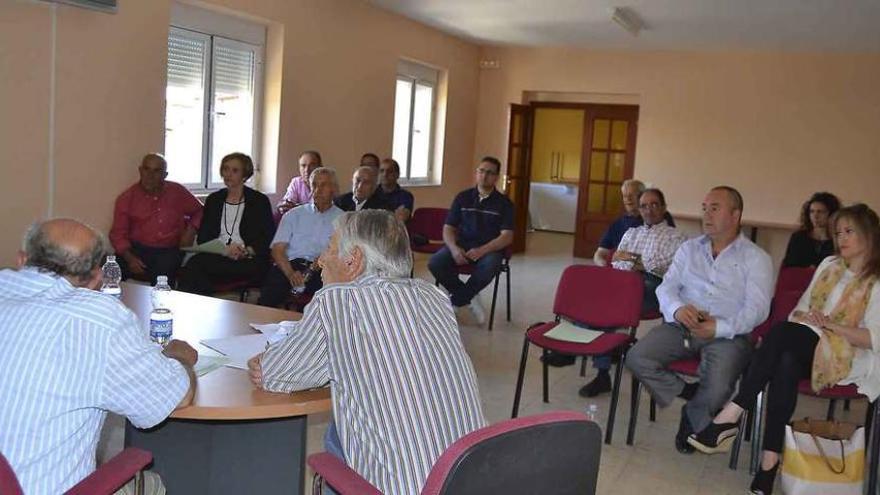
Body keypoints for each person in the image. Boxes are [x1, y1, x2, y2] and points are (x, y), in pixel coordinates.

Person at [247, 210, 486, 495]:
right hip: (469, 480)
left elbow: (273, 373)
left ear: (354, 260)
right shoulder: (434, 297)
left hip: (402, 489)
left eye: (330, 247)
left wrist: (271, 357)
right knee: (342, 429)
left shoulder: (337, 301)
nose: (321, 260)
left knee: (338, 436)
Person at [688, 203, 880, 495]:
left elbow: (872, 338)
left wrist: (830, 326)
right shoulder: (828, 266)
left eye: (849, 231)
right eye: (838, 231)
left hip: (849, 355)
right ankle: (768, 460)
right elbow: (799, 312)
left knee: (781, 341)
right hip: (807, 344)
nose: (841, 238)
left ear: (869, 235)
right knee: (785, 359)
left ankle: (731, 415)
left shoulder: (876, 281)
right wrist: (812, 321)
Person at [0, 219, 197, 495]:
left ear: (22, 261)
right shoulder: (98, 320)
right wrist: (179, 357)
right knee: (150, 484)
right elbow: (174, 397)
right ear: (97, 277)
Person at [625, 186, 773, 455]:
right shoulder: (689, 249)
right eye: (704, 207)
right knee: (637, 357)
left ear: (735, 214)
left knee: (718, 384)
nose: (706, 214)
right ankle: (692, 396)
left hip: (729, 334)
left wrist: (719, 326)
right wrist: (678, 309)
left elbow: (758, 310)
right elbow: (666, 288)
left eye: (714, 208)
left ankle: (692, 417)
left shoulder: (757, 258)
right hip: (683, 325)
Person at [579, 188, 688, 397]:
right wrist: (634, 263)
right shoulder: (632, 233)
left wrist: (631, 261)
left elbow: (659, 267)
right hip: (624, 284)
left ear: (664, 208)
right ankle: (603, 373)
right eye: (644, 206)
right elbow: (616, 261)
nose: (649, 210)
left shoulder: (678, 237)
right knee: (593, 300)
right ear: (639, 210)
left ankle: (601, 352)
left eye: (655, 204)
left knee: (604, 308)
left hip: (654, 289)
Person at [428, 156, 514, 325]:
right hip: (462, 245)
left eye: (489, 173)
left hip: (490, 249)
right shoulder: (463, 197)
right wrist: (453, 248)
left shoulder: (505, 204)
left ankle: (456, 300)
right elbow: (448, 228)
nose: (484, 176)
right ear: (476, 173)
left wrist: (482, 250)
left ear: (496, 177)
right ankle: (470, 296)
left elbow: (507, 236)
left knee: (490, 266)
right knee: (435, 262)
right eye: (481, 171)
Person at [177, 152, 274, 296]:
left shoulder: (259, 201)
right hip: (219, 254)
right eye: (226, 169)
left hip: (247, 258)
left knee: (200, 273)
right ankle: (198, 307)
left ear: (245, 175)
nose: (228, 174)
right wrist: (224, 249)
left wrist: (246, 251)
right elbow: (204, 236)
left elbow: (267, 238)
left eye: (235, 170)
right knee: (193, 266)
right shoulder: (214, 200)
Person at [109, 153, 203, 286]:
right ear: (140, 171)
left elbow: (200, 210)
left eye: (156, 171)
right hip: (137, 248)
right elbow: (117, 234)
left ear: (165, 175)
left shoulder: (177, 192)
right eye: (146, 169)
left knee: (163, 275)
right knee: (109, 271)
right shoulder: (126, 198)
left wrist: (191, 229)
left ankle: (161, 305)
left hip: (168, 249)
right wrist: (130, 258)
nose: (150, 176)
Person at [257, 167, 344, 308]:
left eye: (324, 185)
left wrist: (325, 260)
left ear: (333, 189)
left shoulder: (343, 219)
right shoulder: (293, 214)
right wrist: (291, 273)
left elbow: (343, 253)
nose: (318, 189)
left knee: (322, 298)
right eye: (314, 185)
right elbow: (277, 250)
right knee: (269, 296)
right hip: (290, 266)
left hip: (320, 268)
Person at [782, 192, 841, 268]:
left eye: (821, 212)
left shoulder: (838, 240)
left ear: (832, 214)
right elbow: (789, 267)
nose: (815, 216)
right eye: (812, 211)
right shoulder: (799, 237)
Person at [277, 150, 322, 215]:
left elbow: (321, 210)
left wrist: (296, 208)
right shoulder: (296, 182)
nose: (307, 170)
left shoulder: (327, 183)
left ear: (319, 167)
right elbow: (289, 202)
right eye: (303, 166)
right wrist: (283, 205)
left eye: (312, 165)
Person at [378, 158, 414, 222]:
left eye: (390, 171)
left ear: (397, 175)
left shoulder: (405, 196)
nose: (385, 174)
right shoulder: (372, 193)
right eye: (382, 171)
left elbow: (400, 219)